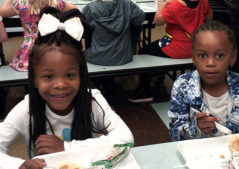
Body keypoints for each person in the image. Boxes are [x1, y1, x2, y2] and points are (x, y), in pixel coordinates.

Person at [0, 7, 134, 169]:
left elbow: (125, 139)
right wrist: (20, 165)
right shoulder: (27, 109)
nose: (60, 85)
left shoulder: (92, 101)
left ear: (81, 75)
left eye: (70, 75)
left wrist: (66, 147)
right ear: (34, 79)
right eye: (49, 76)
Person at [128, 0, 213, 103]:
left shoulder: (175, 5)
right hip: (195, 45)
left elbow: (157, 21)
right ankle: (158, 73)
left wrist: (165, 3)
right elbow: (209, 17)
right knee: (155, 49)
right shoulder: (203, 1)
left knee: (144, 51)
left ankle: (144, 91)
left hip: (176, 46)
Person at [0, 0, 76, 71]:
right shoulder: (55, 3)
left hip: (30, 49)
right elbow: (75, 10)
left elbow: (2, 12)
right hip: (53, 45)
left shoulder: (22, 3)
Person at [82, 0, 145, 66]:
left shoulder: (89, 8)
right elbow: (140, 19)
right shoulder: (128, 5)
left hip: (97, 57)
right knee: (136, 27)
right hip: (123, 58)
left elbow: (82, 30)